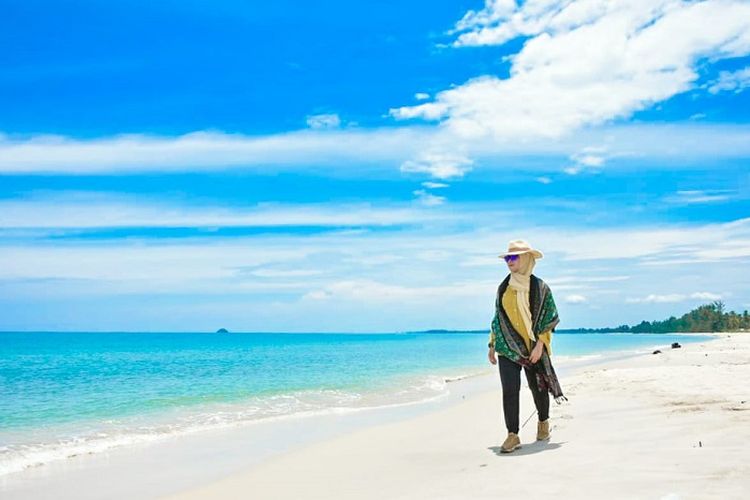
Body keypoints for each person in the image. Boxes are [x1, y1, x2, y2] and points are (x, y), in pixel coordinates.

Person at [487, 239, 566, 453]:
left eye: (514, 257)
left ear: (527, 259)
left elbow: (549, 318)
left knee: (538, 387)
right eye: (507, 258)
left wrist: (541, 345)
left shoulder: (541, 288)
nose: (509, 261)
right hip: (508, 346)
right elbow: (498, 318)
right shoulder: (503, 288)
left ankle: (543, 422)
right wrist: (492, 344)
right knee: (510, 390)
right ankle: (512, 435)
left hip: (534, 346)